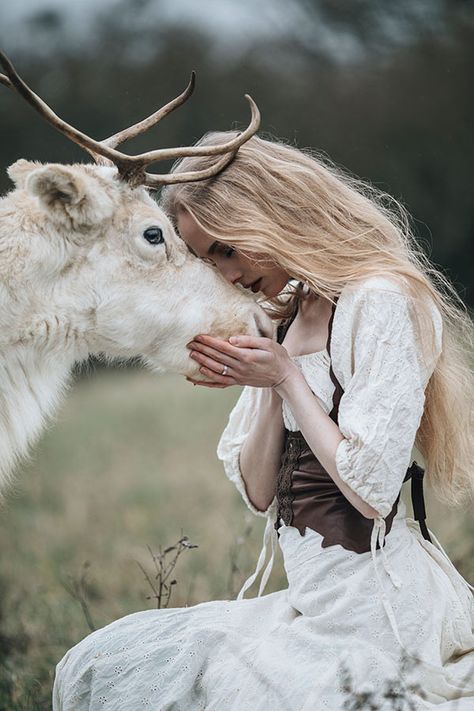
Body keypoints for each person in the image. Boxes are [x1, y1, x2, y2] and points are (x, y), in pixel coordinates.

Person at [53, 133, 474, 710]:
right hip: (312, 603)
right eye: (207, 260)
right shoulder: (290, 314)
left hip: (378, 614)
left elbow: (372, 492)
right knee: (106, 662)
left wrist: (286, 379)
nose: (226, 274)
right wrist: (272, 386)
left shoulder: (381, 300)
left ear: (270, 212)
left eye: (226, 249)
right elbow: (256, 491)